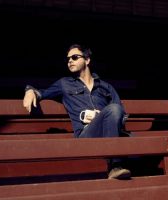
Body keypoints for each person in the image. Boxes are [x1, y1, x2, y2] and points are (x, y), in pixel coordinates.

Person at [23, 44, 131, 179]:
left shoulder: (105, 87)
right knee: (113, 110)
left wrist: (100, 116)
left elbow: (120, 112)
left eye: (74, 57)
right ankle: (115, 166)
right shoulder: (64, 84)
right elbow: (42, 92)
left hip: (108, 132)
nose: (70, 61)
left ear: (87, 60)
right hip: (86, 135)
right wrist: (29, 90)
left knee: (116, 112)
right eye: (68, 59)